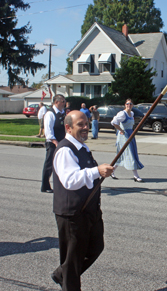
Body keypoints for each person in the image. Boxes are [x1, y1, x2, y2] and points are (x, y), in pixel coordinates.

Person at [51, 110, 114, 290]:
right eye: (81, 124)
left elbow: (87, 174)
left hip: (89, 211)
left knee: (96, 247)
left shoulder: (82, 147)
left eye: (87, 123)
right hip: (72, 214)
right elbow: (70, 180)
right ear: (68, 128)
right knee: (73, 261)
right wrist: (96, 171)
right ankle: (67, 277)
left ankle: (62, 274)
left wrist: (103, 171)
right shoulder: (65, 150)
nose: (86, 127)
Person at [110, 98, 144, 182]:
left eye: (131, 104)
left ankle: (112, 171)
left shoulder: (131, 113)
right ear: (125, 105)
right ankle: (136, 176)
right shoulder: (122, 114)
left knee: (121, 154)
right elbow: (114, 122)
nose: (129, 105)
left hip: (130, 135)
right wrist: (121, 130)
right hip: (123, 136)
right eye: (127, 104)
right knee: (130, 154)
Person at [40, 94, 66, 193]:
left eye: (64, 101)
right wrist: (55, 142)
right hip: (53, 143)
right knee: (49, 165)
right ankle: (45, 186)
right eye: (62, 101)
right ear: (56, 102)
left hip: (61, 142)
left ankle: (62, 185)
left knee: (61, 165)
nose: (64, 103)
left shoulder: (62, 113)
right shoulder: (50, 114)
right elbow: (48, 131)